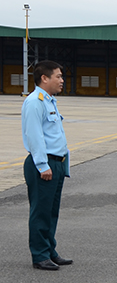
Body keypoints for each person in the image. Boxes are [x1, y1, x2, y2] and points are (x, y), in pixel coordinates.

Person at [22, 60, 72, 271]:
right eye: (58, 76)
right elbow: (34, 137)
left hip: (56, 163)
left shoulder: (49, 100)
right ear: (44, 78)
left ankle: (50, 251)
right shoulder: (35, 102)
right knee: (41, 212)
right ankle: (40, 255)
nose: (62, 80)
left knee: (51, 212)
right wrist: (43, 165)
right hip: (44, 164)